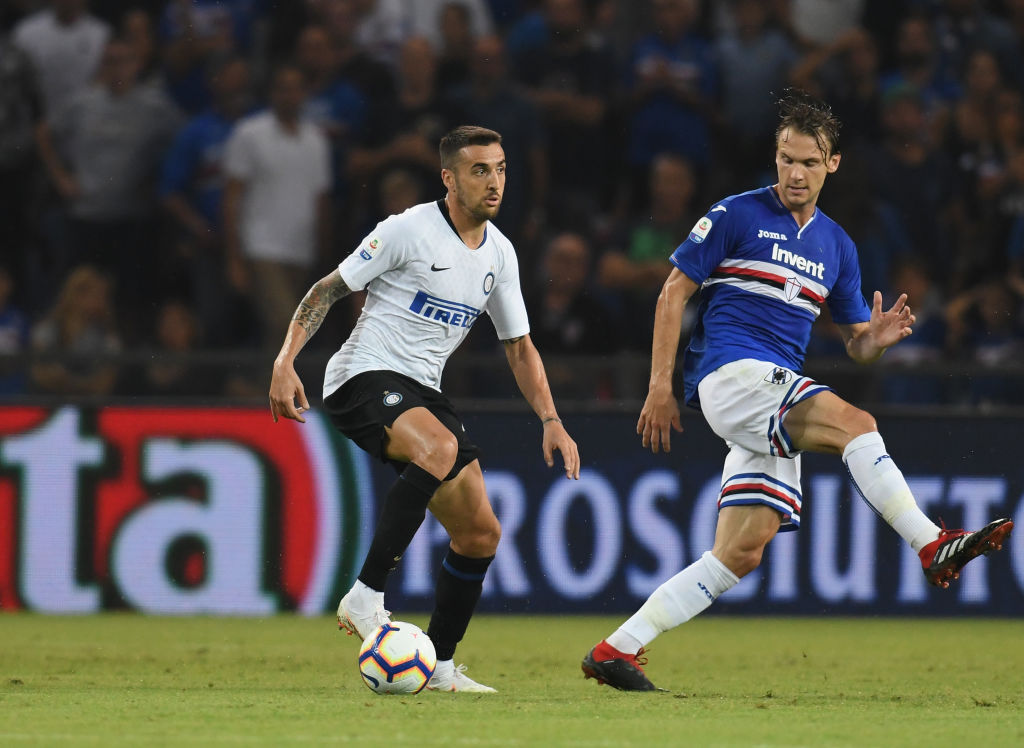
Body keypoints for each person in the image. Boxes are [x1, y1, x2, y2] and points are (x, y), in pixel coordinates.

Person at [581, 90, 1014, 692]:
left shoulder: (837, 246)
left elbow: (857, 344)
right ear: (776, 157)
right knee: (858, 424)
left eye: (809, 162)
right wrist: (659, 386)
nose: (795, 173)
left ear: (831, 163)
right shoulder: (735, 215)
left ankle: (616, 649)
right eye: (787, 159)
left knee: (742, 551)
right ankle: (930, 543)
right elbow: (673, 291)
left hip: (770, 395)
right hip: (732, 374)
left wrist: (876, 340)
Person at [269, 125, 580, 693]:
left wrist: (551, 420)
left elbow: (519, 346)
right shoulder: (407, 230)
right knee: (438, 446)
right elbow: (328, 289)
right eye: (479, 170)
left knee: (481, 534)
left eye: (501, 169)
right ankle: (365, 595)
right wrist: (285, 360)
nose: (494, 181)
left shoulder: (500, 254)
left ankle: (437, 666)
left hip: (422, 391)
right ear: (449, 178)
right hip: (361, 376)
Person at [223, 65, 332, 349]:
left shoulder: (316, 140)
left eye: (296, 89)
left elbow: (320, 200)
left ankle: (263, 377)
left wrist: (322, 252)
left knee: (285, 335)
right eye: (283, 89)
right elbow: (232, 197)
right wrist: (234, 257)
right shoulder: (249, 134)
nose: (290, 96)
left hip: (301, 251)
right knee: (285, 324)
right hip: (261, 248)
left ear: (305, 93)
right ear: (272, 93)